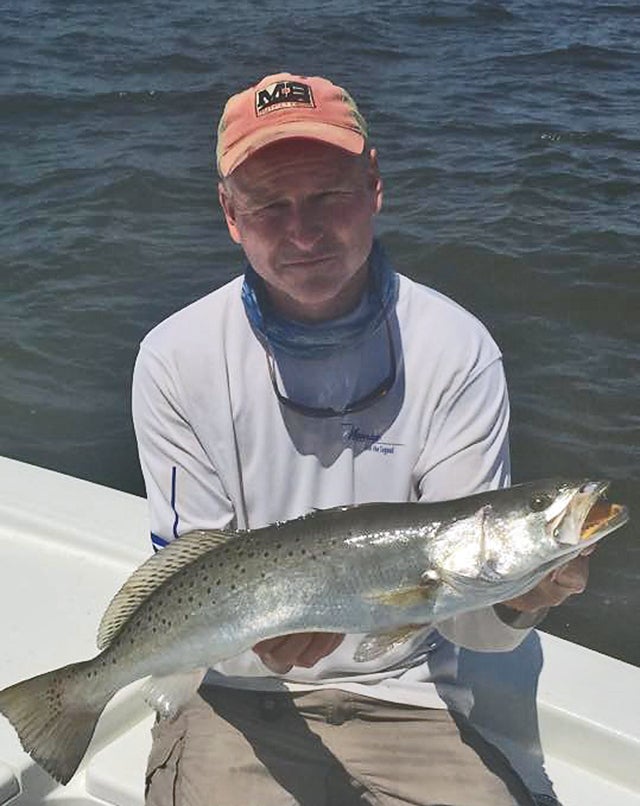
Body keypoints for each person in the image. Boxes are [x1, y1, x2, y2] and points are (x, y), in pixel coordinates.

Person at [132, 72, 591, 806]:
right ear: (230, 214)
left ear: (374, 184)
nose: (303, 232)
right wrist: (256, 641)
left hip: (408, 693)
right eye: (270, 206)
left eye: (327, 196)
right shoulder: (174, 357)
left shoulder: (458, 350)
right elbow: (192, 572)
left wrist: (520, 598)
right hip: (239, 694)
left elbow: (469, 622)